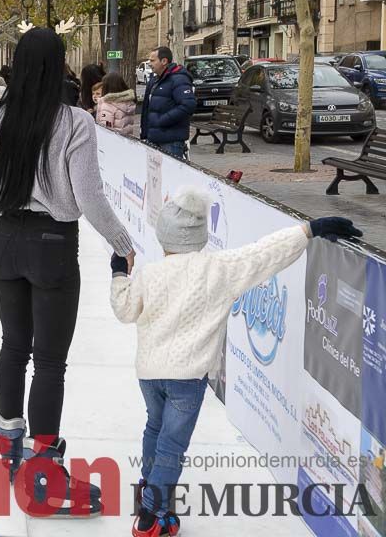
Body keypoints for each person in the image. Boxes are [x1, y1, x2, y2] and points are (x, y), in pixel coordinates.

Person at [110, 188, 361, 537]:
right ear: (199, 236)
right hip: (187, 378)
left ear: (163, 235)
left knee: (155, 429)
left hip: (149, 376)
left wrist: (119, 273)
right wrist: (309, 229)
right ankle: (151, 516)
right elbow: (263, 255)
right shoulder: (219, 269)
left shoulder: (150, 274)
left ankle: (151, 496)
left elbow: (123, 310)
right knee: (172, 444)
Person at [0, 27, 135, 517]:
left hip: (4, 240)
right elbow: (89, 197)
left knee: (12, 345)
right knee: (48, 361)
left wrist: (9, 230)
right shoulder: (74, 123)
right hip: (52, 247)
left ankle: (9, 445)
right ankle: (43, 469)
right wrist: (123, 244)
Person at [140, 47, 196, 159]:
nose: (150, 64)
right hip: (154, 138)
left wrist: (162, 120)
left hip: (171, 141)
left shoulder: (179, 79)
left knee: (171, 175)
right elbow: (147, 108)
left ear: (164, 61)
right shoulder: (155, 80)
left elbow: (188, 105)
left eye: (152, 60)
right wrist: (145, 134)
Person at [96, 72, 139, 137]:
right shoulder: (128, 102)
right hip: (126, 141)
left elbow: (106, 128)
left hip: (112, 143)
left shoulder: (107, 105)